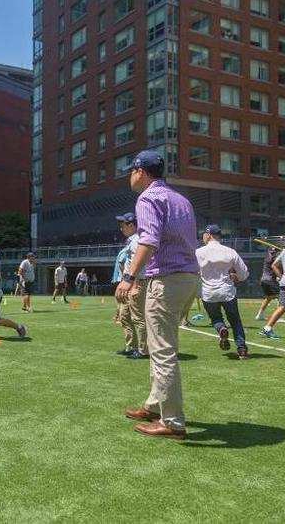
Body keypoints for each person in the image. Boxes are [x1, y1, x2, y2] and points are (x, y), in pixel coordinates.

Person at [116, 150, 199, 440]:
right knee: (161, 344)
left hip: (167, 279)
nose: (130, 175)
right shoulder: (181, 199)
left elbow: (148, 239)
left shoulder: (148, 198)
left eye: (131, 170)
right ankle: (154, 404)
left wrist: (129, 277)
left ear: (140, 171)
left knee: (162, 350)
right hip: (189, 278)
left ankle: (173, 422)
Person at [195, 225, 250, 359]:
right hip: (227, 291)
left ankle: (221, 329)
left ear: (208, 235)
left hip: (208, 292)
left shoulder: (198, 252)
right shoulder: (230, 251)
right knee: (235, 321)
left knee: (216, 318)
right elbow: (244, 273)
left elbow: (193, 272)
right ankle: (242, 349)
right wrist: (236, 277)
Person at [116, 212, 148, 360]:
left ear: (131, 225)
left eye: (123, 225)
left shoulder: (137, 241)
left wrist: (134, 285)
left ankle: (143, 350)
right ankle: (131, 346)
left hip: (137, 283)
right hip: (129, 283)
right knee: (125, 316)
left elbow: (140, 264)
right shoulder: (131, 240)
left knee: (138, 318)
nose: (121, 228)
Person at [255, 246, 281, 321]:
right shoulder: (274, 259)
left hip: (264, 280)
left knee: (269, 298)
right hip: (270, 280)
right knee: (281, 296)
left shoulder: (267, 258)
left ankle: (259, 315)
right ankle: (277, 317)